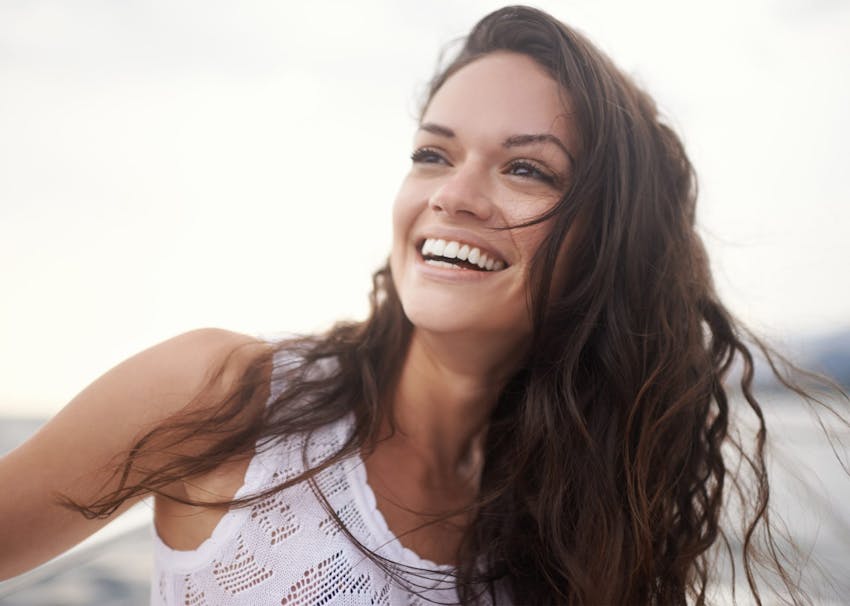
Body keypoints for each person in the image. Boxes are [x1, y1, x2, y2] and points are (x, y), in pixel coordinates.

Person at [0, 5, 843, 605]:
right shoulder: (224, 396)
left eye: (526, 169)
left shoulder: (579, 531)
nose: (456, 196)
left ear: (605, 242)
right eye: (433, 154)